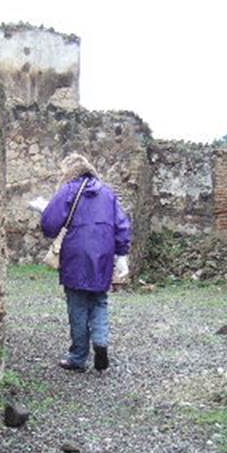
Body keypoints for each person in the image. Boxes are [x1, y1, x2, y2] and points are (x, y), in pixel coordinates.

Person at [41, 153, 132, 372]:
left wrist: (43, 209)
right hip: (103, 254)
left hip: (76, 255)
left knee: (78, 305)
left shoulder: (69, 190)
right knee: (99, 300)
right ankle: (100, 342)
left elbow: (50, 225)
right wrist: (122, 255)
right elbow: (122, 225)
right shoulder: (108, 194)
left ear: (69, 172)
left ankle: (78, 357)